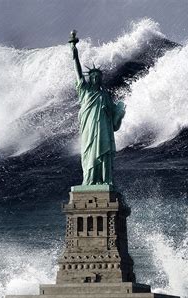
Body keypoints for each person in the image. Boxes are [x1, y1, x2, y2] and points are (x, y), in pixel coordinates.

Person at [69, 30, 125, 186]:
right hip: (89, 127)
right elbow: (78, 72)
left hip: (104, 128)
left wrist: (119, 112)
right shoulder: (84, 90)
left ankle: (106, 180)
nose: (96, 78)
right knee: (90, 154)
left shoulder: (106, 95)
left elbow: (114, 121)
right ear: (90, 78)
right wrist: (74, 50)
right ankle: (90, 180)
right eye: (93, 76)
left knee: (105, 153)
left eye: (98, 76)